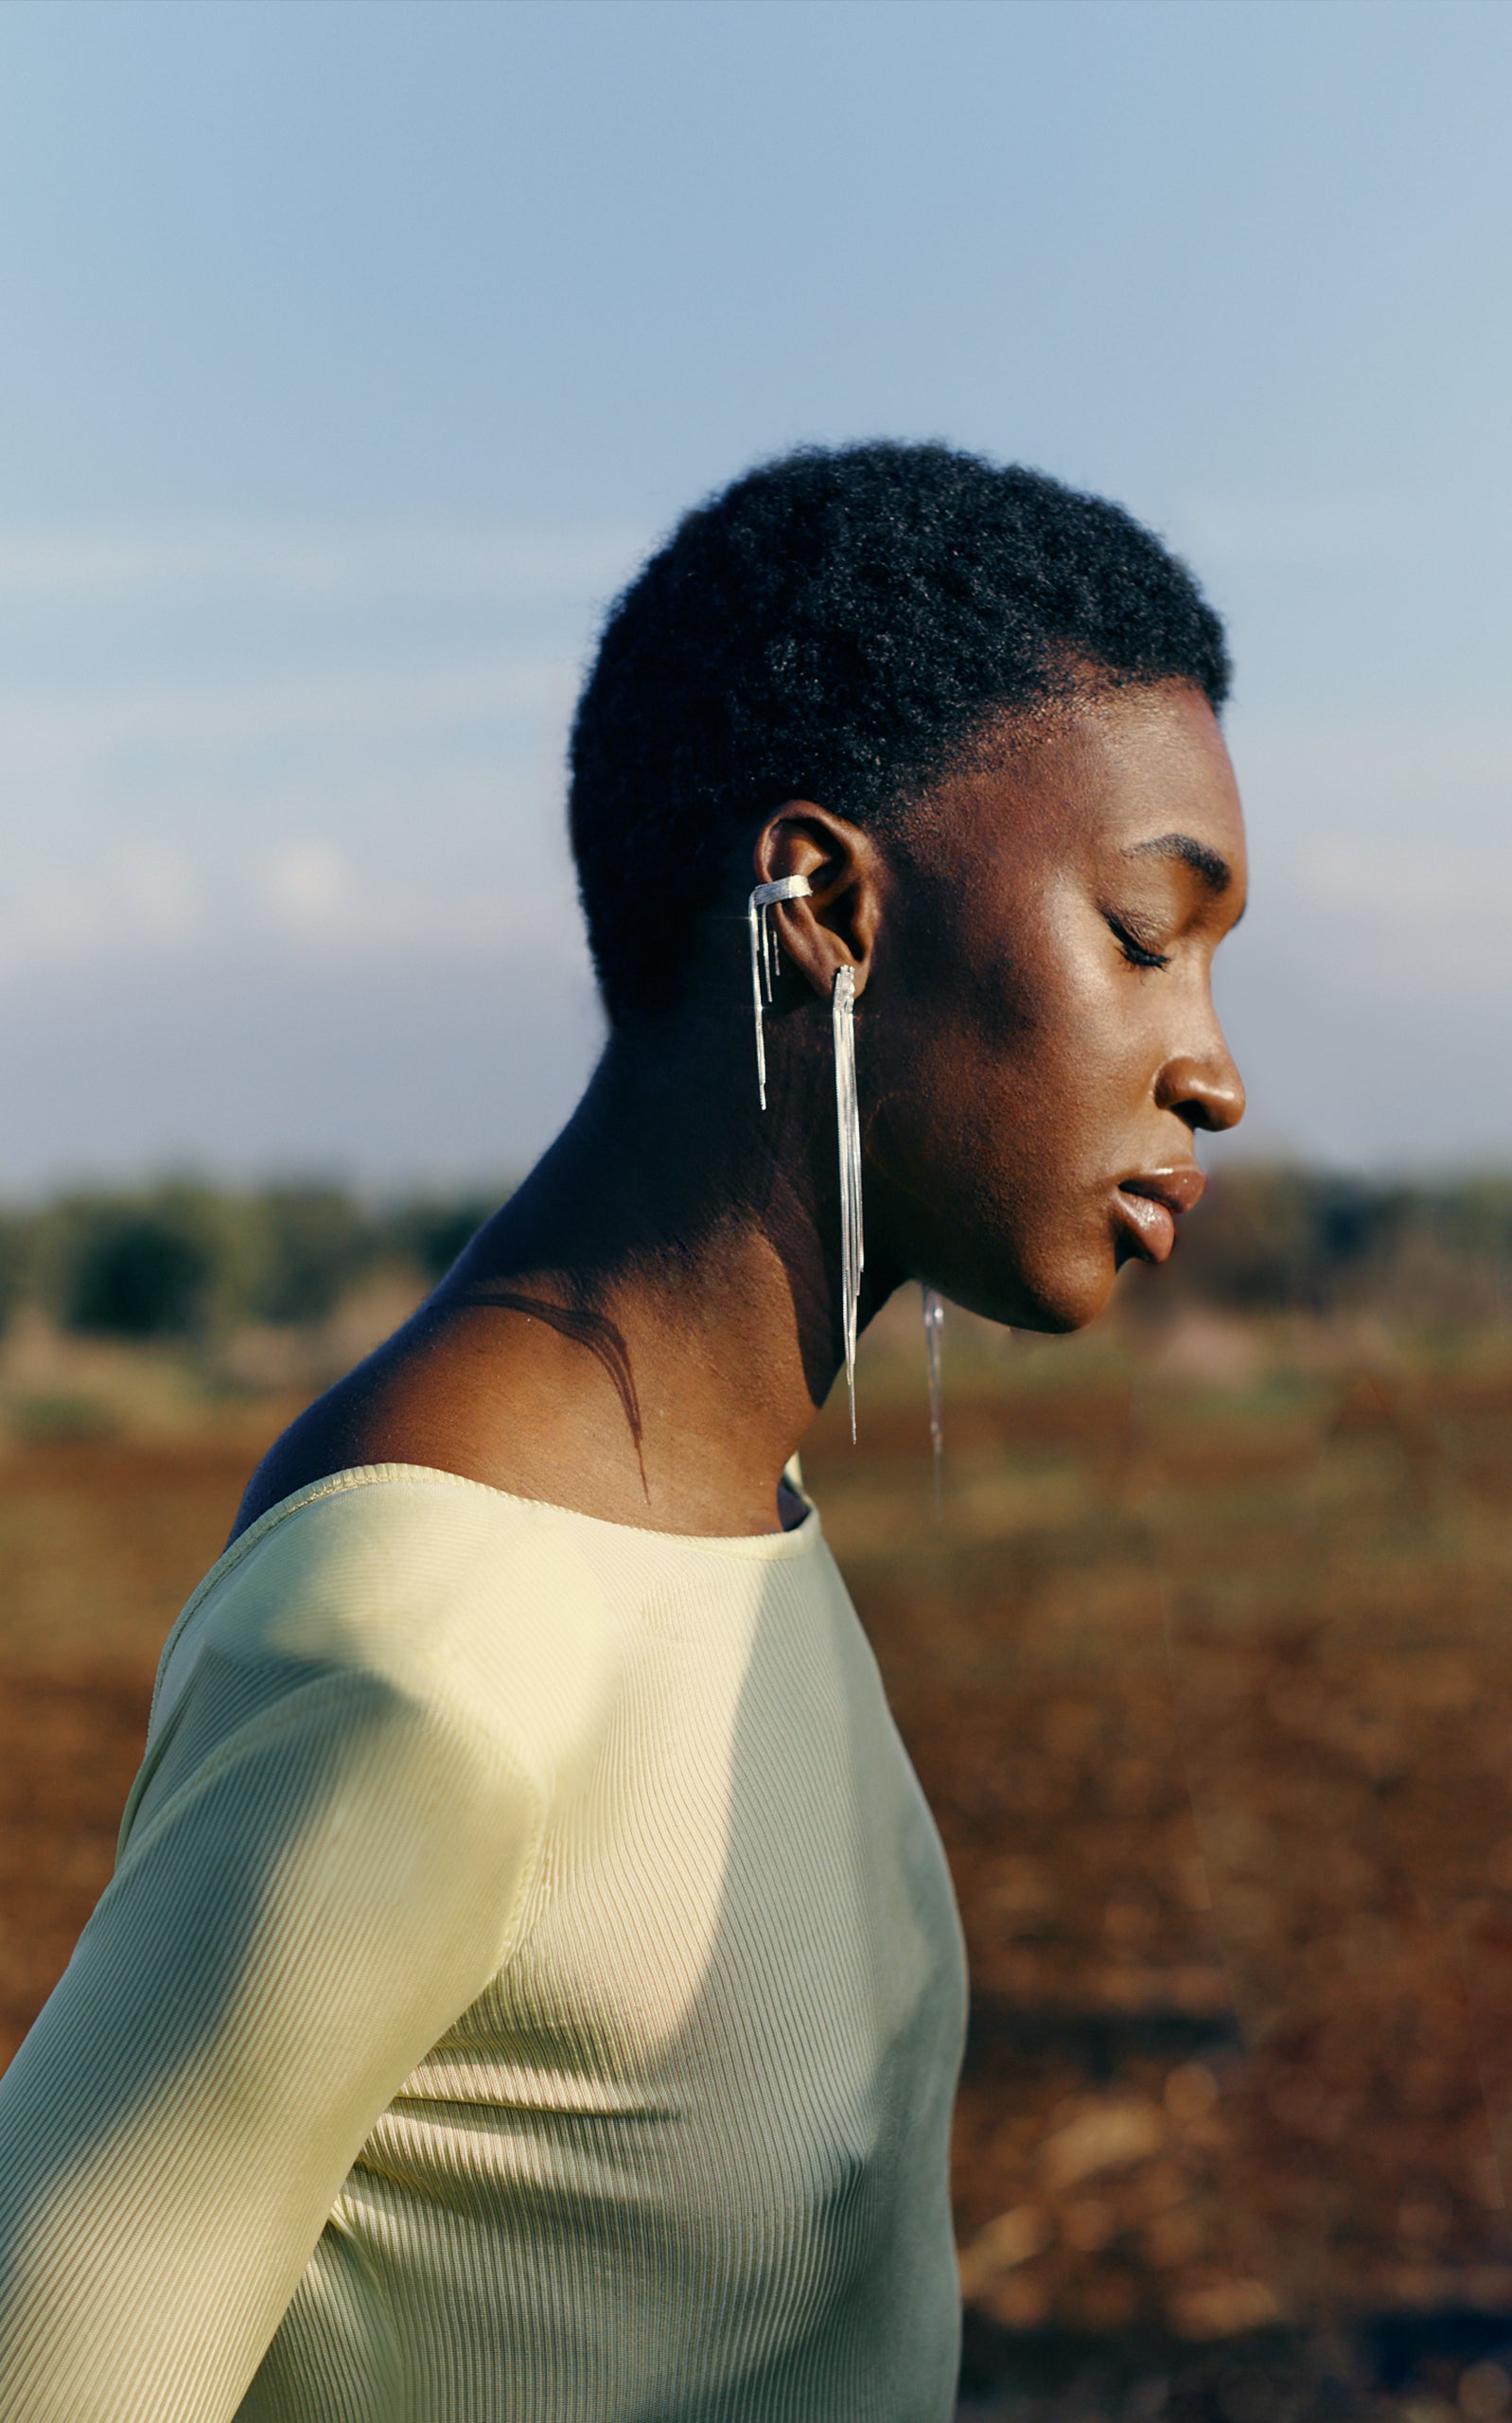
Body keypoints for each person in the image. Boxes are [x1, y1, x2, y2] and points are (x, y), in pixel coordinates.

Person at [0, 441, 1246, 2422]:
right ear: (824, 902)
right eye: (1143, 932)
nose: (1212, 1066)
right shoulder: (428, 1641)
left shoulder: (722, 1511)